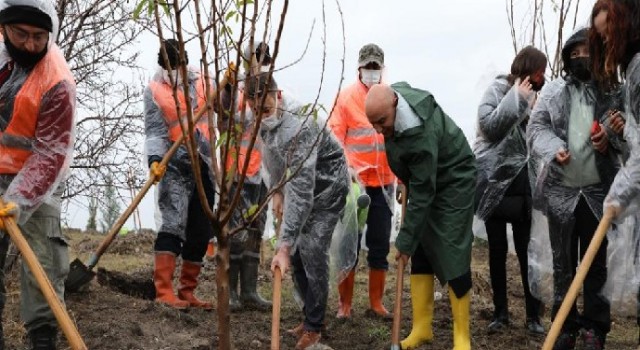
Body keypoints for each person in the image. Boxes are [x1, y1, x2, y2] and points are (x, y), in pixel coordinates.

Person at [527, 27, 625, 350]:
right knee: (563, 263)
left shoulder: (612, 91)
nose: (581, 58)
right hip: (561, 193)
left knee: (596, 263)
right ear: (567, 57)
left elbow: (628, 127)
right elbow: (537, 127)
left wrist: (611, 135)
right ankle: (565, 326)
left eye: (587, 52)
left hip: (599, 193)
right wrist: (554, 147)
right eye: (574, 53)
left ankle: (596, 328)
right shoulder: (555, 92)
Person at [365, 83, 475, 350]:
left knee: (452, 250)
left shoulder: (420, 133)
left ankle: (462, 337)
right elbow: (414, 168)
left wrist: (403, 241)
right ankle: (421, 329)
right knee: (422, 247)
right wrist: (406, 181)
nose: (379, 129)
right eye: (374, 124)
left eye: (382, 122)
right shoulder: (396, 100)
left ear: (394, 103)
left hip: (455, 179)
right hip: (427, 176)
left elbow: (425, 192)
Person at [246, 73, 349, 350]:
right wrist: (277, 190)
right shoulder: (262, 120)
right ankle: (308, 316)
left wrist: (283, 244)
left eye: (265, 110)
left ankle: (315, 326)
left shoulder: (300, 125)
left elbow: (303, 191)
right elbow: (273, 156)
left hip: (329, 187)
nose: (260, 117)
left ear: (278, 97)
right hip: (302, 185)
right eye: (255, 112)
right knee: (298, 255)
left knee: (313, 250)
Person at [0, 0, 75, 348]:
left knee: (44, 258)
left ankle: (43, 337)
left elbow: (50, 154)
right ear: (3, 29)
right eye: (21, 34)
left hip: (37, 177)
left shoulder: (57, 81)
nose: (30, 45)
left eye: (39, 37)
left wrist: (15, 201)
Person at [474, 46, 546, 335]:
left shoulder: (538, 97)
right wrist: (518, 99)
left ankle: (534, 317)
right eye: (540, 71)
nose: (542, 78)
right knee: (497, 251)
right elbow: (488, 126)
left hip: (524, 187)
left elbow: (537, 136)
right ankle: (500, 313)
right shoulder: (498, 89)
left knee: (529, 253)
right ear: (528, 68)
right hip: (495, 186)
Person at [144, 39, 216, 311]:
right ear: (162, 66)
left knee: (201, 226)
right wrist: (154, 160)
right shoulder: (154, 90)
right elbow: (154, 131)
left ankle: (187, 291)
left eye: (180, 66)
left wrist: (230, 85)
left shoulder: (204, 80)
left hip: (204, 163)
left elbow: (222, 105)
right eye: (170, 67)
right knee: (172, 223)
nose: (176, 72)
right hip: (173, 165)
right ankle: (163, 291)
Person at [328, 43, 396, 319]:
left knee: (380, 243)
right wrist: (348, 169)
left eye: (375, 67)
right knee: (349, 243)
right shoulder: (345, 98)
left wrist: (401, 180)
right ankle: (344, 304)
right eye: (367, 67)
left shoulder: (392, 97)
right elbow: (334, 138)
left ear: (382, 68)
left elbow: (398, 139)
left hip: (384, 182)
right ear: (359, 68)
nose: (371, 72)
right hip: (354, 185)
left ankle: (376, 302)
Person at [221, 41, 273, 311]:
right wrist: (228, 90)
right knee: (236, 234)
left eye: (265, 60)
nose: (261, 64)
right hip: (237, 170)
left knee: (256, 231)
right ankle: (230, 291)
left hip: (262, 174)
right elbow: (225, 117)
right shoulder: (234, 86)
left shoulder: (270, 87)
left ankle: (250, 290)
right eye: (258, 58)